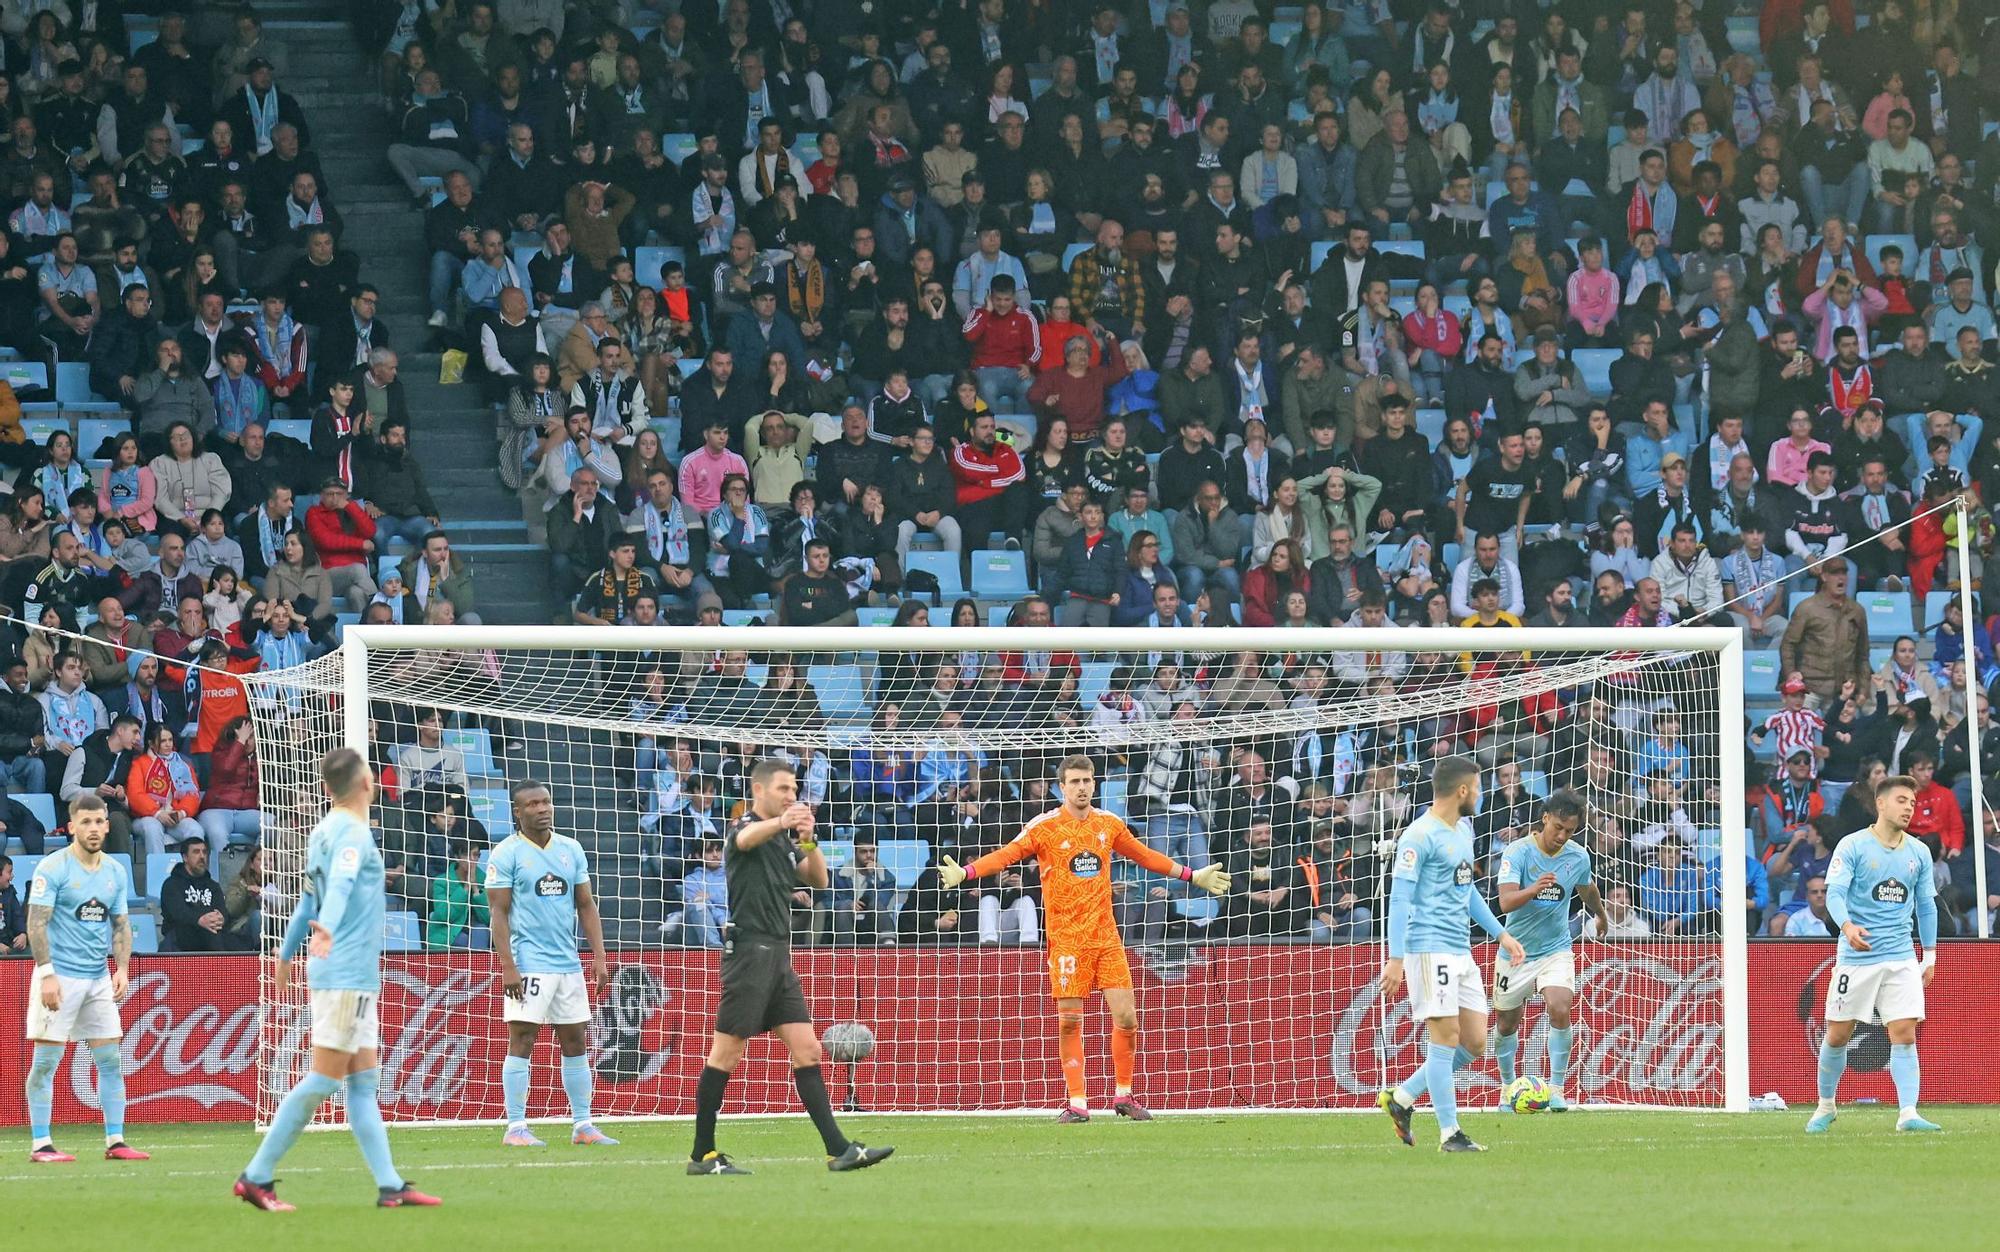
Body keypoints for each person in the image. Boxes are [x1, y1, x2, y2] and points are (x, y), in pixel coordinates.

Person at [939, 755, 1228, 1121]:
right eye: (1074, 781)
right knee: (1069, 1021)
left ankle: (1124, 1095)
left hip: (1107, 938)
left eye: (1087, 781)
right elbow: (1008, 855)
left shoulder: (1108, 824)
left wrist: (1192, 875)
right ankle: (1077, 1102)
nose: (1081, 787)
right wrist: (966, 872)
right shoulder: (1045, 826)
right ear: (1062, 786)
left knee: (1127, 1018)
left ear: (1094, 784)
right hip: (1067, 941)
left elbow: (1144, 856)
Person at [235, 749, 440, 1211]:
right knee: (324, 1080)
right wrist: (326, 929)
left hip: (347, 970)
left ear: (327, 789)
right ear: (367, 782)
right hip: (345, 971)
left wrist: (287, 954)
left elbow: (306, 902)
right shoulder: (351, 832)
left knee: (363, 1081)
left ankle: (390, 1186)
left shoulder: (322, 831)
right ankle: (256, 1176)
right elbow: (341, 886)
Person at [686, 759, 893, 1175]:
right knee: (726, 1054)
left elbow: (818, 882)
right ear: (758, 791)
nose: (792, 796)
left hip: (777, 954)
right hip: (748, 952)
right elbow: (744, 841)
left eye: (794, 789)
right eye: (783, 788)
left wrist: (809, 838)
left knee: (809, 1050)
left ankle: (840, 1151)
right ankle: (702, 1156)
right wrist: (783, 821)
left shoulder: (783, 837)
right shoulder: (744, 827)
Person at [1376, 756, 1527, 1153]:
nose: (1479, 794)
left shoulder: (1463, 830)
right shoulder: (1418, 836)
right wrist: (1396, 958)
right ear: (1462, 790)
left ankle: (1403, 1097)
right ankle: (1450, 1133)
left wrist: (1501, 934)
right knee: (1443, 1040)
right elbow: (1399, 898)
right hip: (1428, 950)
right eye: (1477, 788)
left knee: (1475, 1043)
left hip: (1461, 951)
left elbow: (1468, 890)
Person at [1807, 774, 1941, 1135]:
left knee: (1904, 1032)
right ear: (1881, 804)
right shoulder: (1853, 846)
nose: (1909, 808)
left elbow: (1926, 906)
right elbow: (1834, 894)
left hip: (1900, 956)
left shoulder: (1918, 852)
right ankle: (1826, 1106)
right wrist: (1848, 927)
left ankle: (1908, 1113)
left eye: (1912, 803)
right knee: (1837, 1035)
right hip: (1857, 958)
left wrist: (1928, 955)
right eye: (1901, 800)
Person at [486, 780, 615, 1148]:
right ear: (517, 811)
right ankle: (515, 1127)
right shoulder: (506, 853)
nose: (542, 809)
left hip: (568, 964)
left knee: (575, 1040)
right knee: (523, 1037)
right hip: (529, 963)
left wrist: (599, 955)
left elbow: (586, 904)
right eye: (532, 804)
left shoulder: (570, 849)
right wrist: (508, 966)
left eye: (546, 802)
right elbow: (499, 911)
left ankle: (583, 1125)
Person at [22, 795, 148, 1163]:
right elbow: (36, 923)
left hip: (97, 979)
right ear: (72, 826)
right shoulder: (54, 867)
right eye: (86, 822)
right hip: (59, 977)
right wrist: (46, 975)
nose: (93, 828)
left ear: (108, 825)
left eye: (99, 821)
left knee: (110, 1060)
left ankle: (115, 1140)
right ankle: (41, 1145)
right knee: (46, 1062)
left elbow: (121, 925)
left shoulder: (114, 871)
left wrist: (122, 968)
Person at [1490, 791, 1608, 1113]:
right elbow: (1505, 902)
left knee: (1559, 1006)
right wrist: (1534, 889)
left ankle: (1557, 1089)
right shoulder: (1518, 853)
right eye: (1558, 827)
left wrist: (1601, 914)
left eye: (1570, 831)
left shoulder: (1578, 856)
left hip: (1555, 949)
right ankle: (1507, 1088)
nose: (1562, 836)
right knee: (1505, 1025)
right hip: (1516, 951)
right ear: (1545, 819)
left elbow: (1586, 889)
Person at [158, 835, 238, 952]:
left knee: (240, 941)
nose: (202, 856)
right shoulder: (172, 884)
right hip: (181, 937)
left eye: (204, 852)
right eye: (196, 852)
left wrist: (221, 919)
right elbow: (178, 914)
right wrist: (199, 920)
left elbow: (222, 911)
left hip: (211, 935)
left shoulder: (213, 886)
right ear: (185, 857)